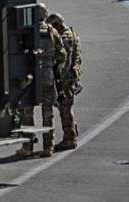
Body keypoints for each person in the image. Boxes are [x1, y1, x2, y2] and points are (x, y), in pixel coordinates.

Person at [16, 2, 65, 159]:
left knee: (27, 112)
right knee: (47, 111)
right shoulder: (51, 31)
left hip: (30, 76)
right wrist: (54, 66)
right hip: (47, 75)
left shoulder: (27, 30)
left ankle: (27, 146)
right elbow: (62, 54)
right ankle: (47, 147)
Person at [47, 12, 82, 152]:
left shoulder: (65, 37)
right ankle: (72, 136)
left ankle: (69, 139)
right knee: (65, 107)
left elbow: (66, 62)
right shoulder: (69, 33)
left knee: (65, 107)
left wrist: (59, 77)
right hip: (69, 76)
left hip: (66, 77)